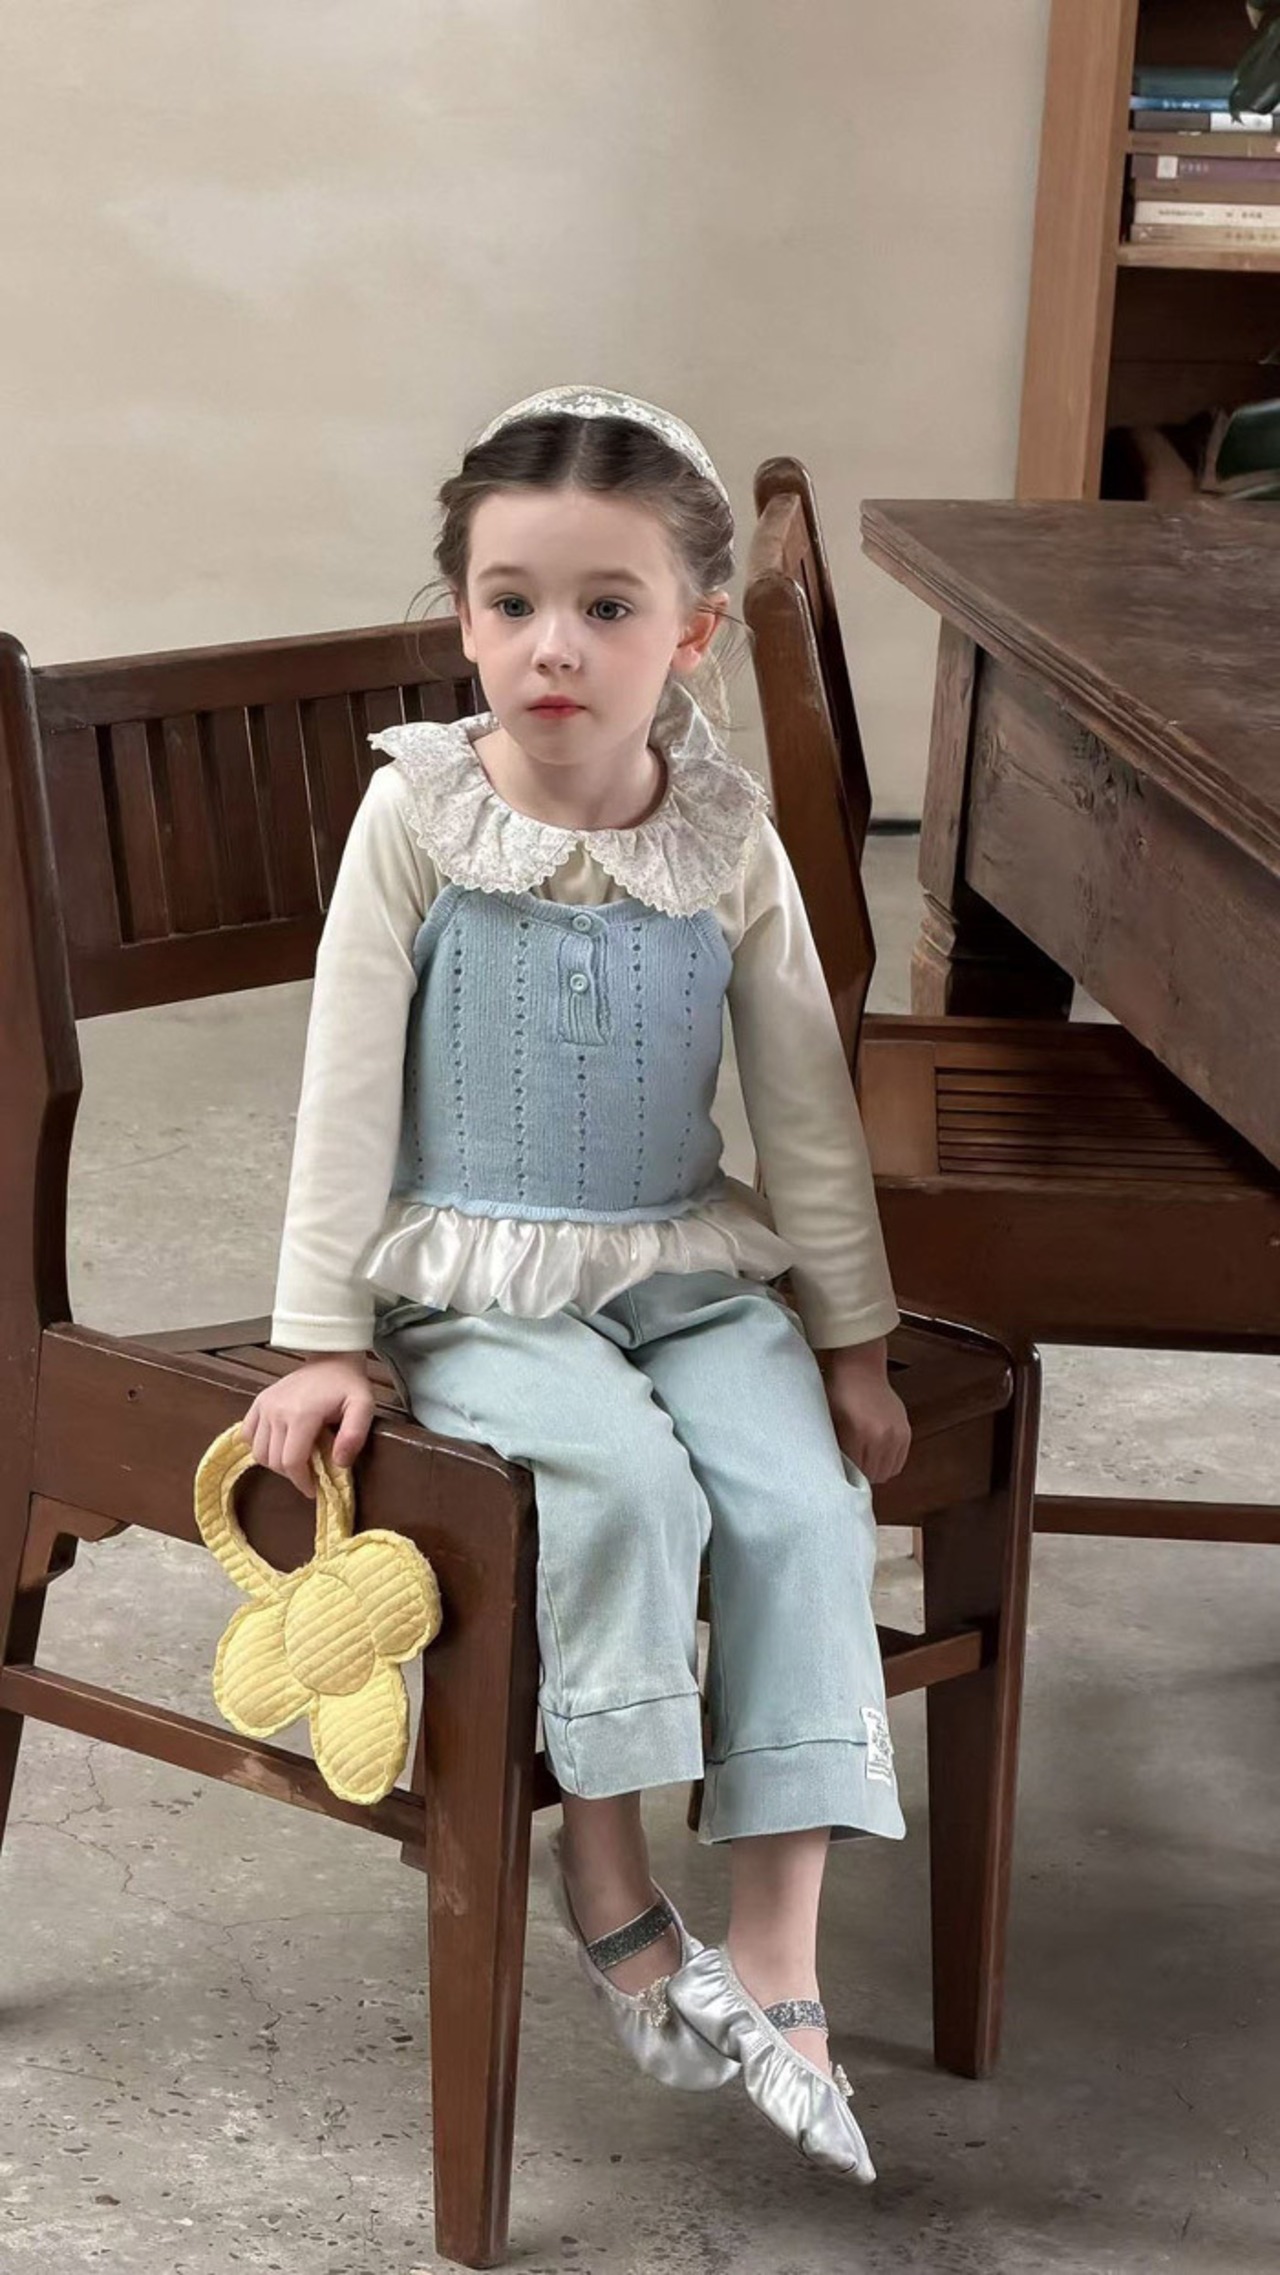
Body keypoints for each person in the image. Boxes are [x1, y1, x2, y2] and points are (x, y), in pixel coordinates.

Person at [243, 383, 911, 2181]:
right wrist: (325, 1339)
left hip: (680, 1259)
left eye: (607, 606)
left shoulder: (726, 839)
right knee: (619, 1483)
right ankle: (606, 1868)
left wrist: (850, 1339)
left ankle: (778, 1949)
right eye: (513, 602)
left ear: (691, 634)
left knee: (796, 1496)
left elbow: (804, 1106)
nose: (555, 644)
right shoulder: (418, 820)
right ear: (464, 620)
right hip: (479, 1278)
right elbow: (342, 1089)